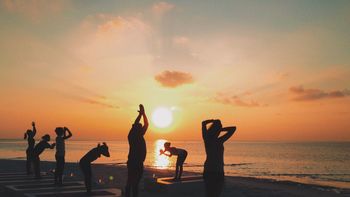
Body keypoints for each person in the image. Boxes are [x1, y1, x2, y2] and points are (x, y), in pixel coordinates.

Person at [202, 119, 236, 197]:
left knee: (211, 194)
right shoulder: (217, 140)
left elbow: (203, 123)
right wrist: (220, 129)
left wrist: (215, 124)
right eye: (220, 127)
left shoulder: (208, 139)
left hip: (215, 170)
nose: (221, 129)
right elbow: (233, 129)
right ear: (216, 129)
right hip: (214, 171)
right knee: (213, 194)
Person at [125, 104, 148, 197]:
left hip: (138, 163)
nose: (142, 128)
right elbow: (138, 123)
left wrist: (143, 114)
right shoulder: (132, 136)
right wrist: (141, 115)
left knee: (134, 183)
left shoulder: (139, 135)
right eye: (139, 127)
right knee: (131, 182)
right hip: (133, 162)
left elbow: (146, 124)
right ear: (136, 129)